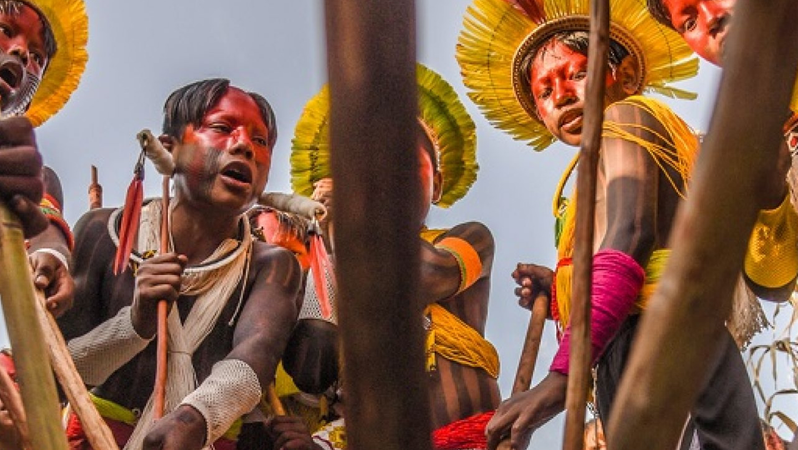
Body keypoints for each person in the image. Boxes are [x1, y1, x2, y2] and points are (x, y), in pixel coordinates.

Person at [457, 0, 766, 448]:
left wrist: (561, 379)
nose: (561, 95)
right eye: (545, 91)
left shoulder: (626, 116)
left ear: (620, 75)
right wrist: (563, 287)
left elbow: (632, 236)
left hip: (659, 340)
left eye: (577, 74)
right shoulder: (590, 171)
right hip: (664, 340)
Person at [57, 78, 302, 450]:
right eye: (222, 128)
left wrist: (195, 419)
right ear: (169, 149)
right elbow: (58, 368)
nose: (244, 147)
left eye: (260, 141)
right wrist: (135, 323)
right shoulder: (105, 233)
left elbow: (256, 356)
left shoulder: (273, 266)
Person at [273, 64, 498, 450]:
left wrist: (360, 217)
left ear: (438, 184)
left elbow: (429, 276)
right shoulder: (329, 273)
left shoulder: (467, 238)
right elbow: (313, 370)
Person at [645, 0, 798, 304]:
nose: (711, 18)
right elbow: (774, 281)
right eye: (689, 23)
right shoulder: (755, 134)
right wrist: (770, 198)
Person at [0, 0, 88, 316]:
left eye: (37, 57)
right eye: (4, 30)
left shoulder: (32, 177)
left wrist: (52, 253)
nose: (22, 52)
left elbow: (43, 227)